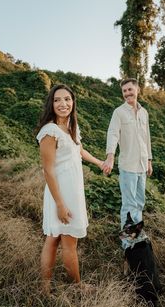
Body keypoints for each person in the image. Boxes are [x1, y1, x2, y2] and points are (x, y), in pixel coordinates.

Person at [36, 84, 103, 294]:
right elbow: (48, 171)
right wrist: (60, 204)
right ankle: (76, 286)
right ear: (51, 104)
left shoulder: (71, 126)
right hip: (60, 194)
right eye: (57, 100)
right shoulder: (49, 131)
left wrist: (99, 162)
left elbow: (79, 149)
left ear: (73, 102)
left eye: (67, 99)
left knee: (54, 238)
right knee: (66, 242)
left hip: (72, 191)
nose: (63, 104)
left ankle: (45, 287)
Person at [102, 78, 152, 253]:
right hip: (128, 165)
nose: (127, 93)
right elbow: (113, 134)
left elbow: (147, 138)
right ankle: (128, 245)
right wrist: (110, 157)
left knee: (140, 202)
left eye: (130, 89)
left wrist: (149, 160)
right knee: (129, 205)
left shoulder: (144, 112)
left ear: (137, 90)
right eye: (124, 91)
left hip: (142, 165)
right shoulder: (119, 112)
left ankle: (136, 236)